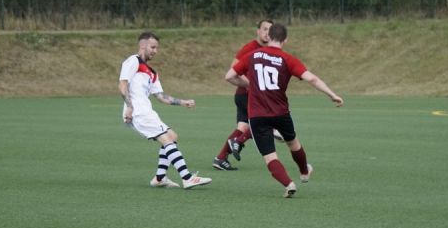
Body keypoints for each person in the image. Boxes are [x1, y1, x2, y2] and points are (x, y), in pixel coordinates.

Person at [225, 23, 344, 198]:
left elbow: (229, 76)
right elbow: (312, 79)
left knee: (269, 156)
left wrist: (249, 85)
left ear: (269, 36)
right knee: (293, 143)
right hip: (281, 113)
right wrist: (332, 95)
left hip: (257, 115)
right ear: (285, 40)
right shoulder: (288, 59)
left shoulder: (252, 55)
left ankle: (288, 184)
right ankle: (304, 172)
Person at [119, 32, 212, 189]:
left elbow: (161, 97)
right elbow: (122, 84)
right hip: (138, 111)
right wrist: (129, 107)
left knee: (172, 136)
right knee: (167, 140)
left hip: (146, 110)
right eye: (152, 47)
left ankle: (160, 178)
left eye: (157, 48)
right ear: (142, 45)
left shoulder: (152, 73)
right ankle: (187, 178)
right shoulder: (133, 61)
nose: (155, 51)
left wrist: (183, 102)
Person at [212, 19, 273, 171]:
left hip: (244, 96)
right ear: (257, 31)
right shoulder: (251, 47)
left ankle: (220, 158)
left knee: (243, 127)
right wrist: (250, 85)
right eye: (264, 29)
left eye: (270, 30)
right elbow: (234, 68)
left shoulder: (268, 50)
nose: (267, 33)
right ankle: (238, 141)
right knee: (265, 123)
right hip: (247, 95)